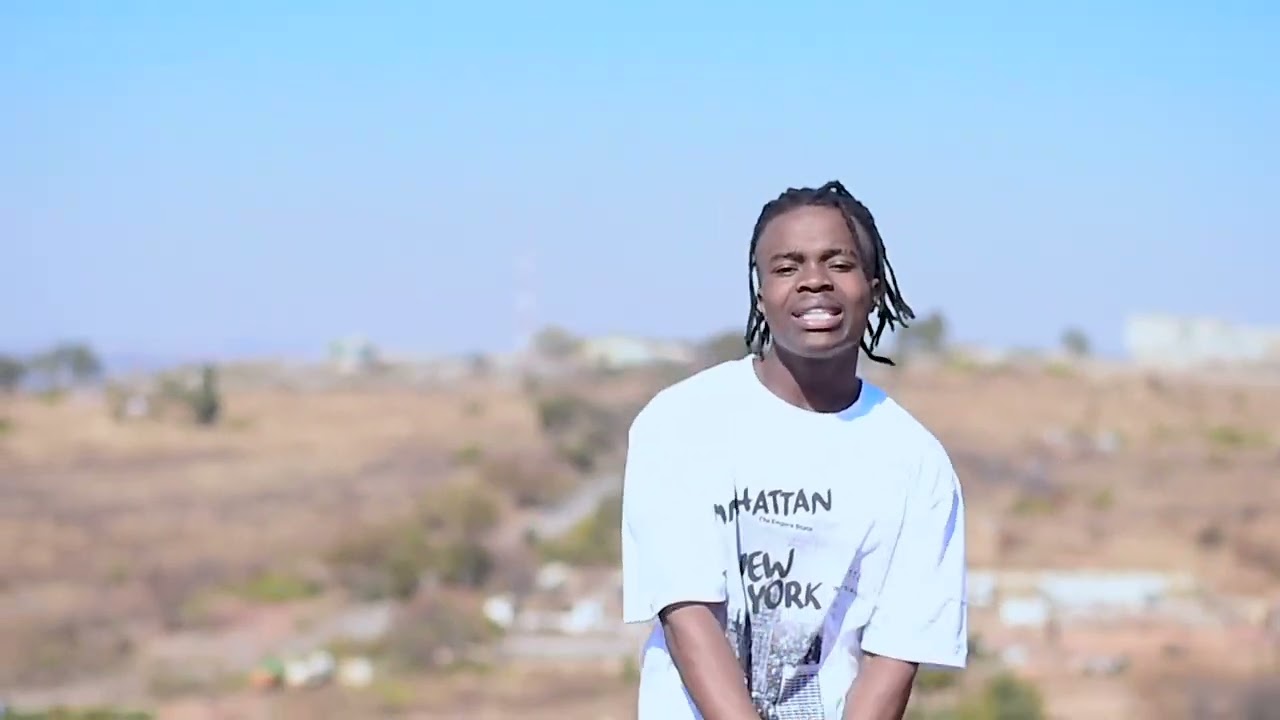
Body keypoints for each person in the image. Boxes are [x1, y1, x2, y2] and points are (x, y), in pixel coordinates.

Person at [621, 181, 967, 720]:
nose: (814, 281)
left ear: (874, 289)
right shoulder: (681, 422)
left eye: (839, 264)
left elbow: (894, 657)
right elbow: (688, 614)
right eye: (787, 267)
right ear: (761, 296)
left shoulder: (917, 463)